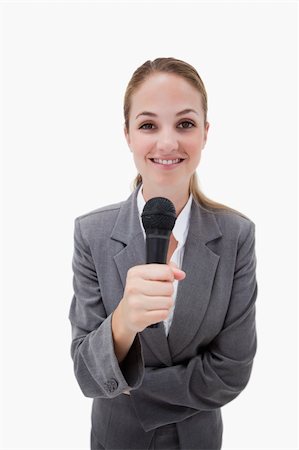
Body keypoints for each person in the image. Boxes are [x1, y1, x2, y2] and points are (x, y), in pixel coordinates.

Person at [68, 57, 258, 450]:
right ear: (128, 135)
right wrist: (122, 322)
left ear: (205, 133)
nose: (168, 142)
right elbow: (84, 374)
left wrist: (127, 386)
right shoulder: (93, 234)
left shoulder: (238, 235)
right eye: (149, 125)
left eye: (185, 124)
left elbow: (231, 371)